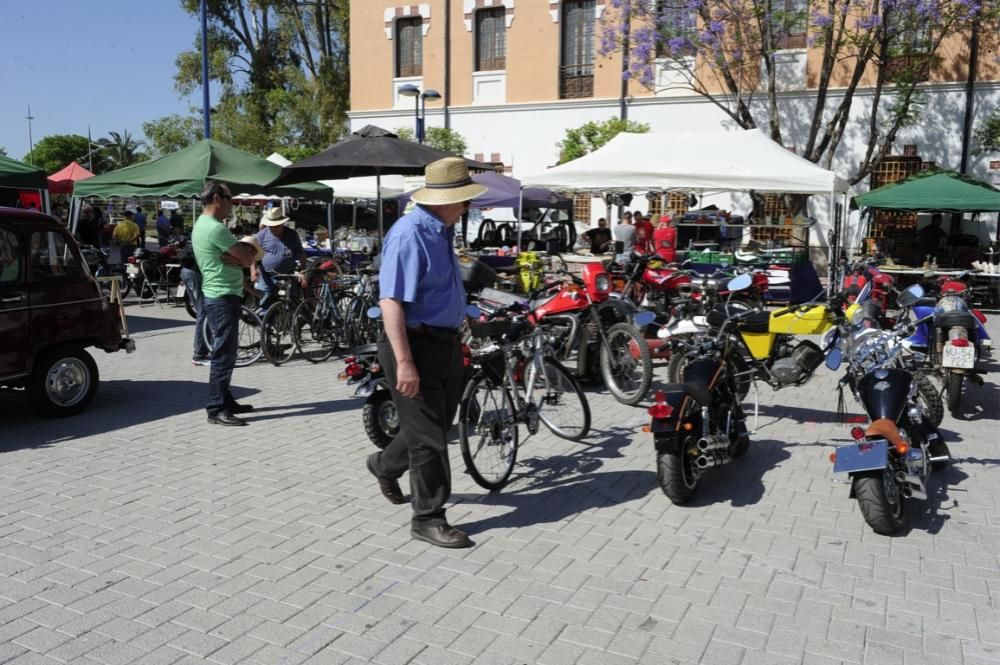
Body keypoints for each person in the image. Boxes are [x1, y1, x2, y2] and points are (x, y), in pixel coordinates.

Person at [366, 157, 487, 549]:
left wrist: (468, 315)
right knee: (431, 442)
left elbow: (441, 289)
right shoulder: (410, 234)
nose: (467, 206)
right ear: (444, 198)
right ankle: (428, 517)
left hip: (444, 343)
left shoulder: (440, 230)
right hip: (413, 345)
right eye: (464, 199)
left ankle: (383, 464)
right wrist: (404, 362)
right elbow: (391, 303)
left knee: (431, 429)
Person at [191, 182, 258, 426]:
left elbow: (240, 258)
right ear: (218, 198)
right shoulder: (215, 229)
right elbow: (248, 256)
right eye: (230, 199)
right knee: (223, 354)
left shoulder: (203, 224)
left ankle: (225, 400)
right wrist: (240, 257)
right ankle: (216, 408)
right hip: (222, 296)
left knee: (227, 353)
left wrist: (237, 258)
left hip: (218, 294)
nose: (232, 204)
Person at [250, 208, 308, 311]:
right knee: (265, 301)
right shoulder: (262, 235)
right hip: (267, 275)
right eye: (271, 226)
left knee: (291, 303)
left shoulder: (292, 234)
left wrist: (303, 271)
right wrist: (253, 270)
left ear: (282, 223)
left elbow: (301, 253)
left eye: (276, 226)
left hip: (288, 275)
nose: (274, 229)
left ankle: (290, 323)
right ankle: (266, 325)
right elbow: (252, 253)